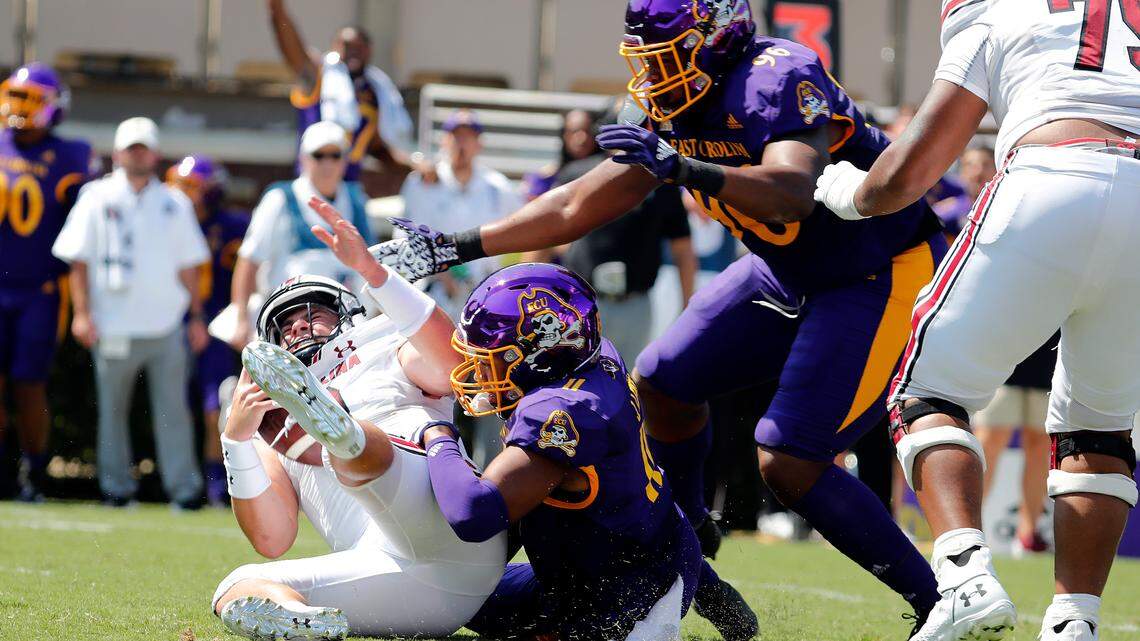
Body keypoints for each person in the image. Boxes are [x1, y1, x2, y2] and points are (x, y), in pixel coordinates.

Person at [370, 0, 946, 634]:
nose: (653, 73)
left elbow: (792, 197)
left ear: (717, 37)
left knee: (790, 459)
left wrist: (682, 167)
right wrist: (457, 245)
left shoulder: (775, 76)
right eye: (644, 57)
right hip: (786, 268)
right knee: (664, 380)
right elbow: (576, 206)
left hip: (875, 267)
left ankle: (940, 604)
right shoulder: (665, 102)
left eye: (666, 54)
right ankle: (691, 541)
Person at [813, 0, 1140, 638]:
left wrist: (850, 195)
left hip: (1053, 175)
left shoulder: (997, 8)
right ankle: (1076, 623)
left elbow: (915, 165)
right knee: (1098, 430)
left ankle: (965, 576)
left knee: (926, 390)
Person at [212, 199, 505, 639]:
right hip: (398, 581)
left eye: (312, 313)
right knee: (237, 587)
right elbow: (272, 539)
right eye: (285, 325)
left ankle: (343, 437)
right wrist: (234, 441)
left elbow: (450, 368)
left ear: (347, 315)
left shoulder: (383, 345)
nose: (297, 328)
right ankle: (304, 623)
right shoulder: (267, 428)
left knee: (363, 450)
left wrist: (376, 274)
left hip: (453, 527)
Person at [419, 261, 704, 641]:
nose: (479, 372)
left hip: (617, 596)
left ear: (542, 352)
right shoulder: (593, 358)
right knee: (454, 583)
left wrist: (436, 434)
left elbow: (474, 514)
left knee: (439, 597)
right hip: (663, 548)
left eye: (493, 356)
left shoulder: (560, 411)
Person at [52, 117, 210, 508]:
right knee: (112, 412)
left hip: (166, 325)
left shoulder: (175, 202)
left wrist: (196, 317)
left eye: (144, 147)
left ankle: (184, 491)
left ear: (154, 153)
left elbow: (189, 266)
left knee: (174, 411)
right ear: (118, 153)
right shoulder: (95, 195)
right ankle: (116, 489)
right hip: (112, 326)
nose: (137, 154)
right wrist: (82, 314)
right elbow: (78, 261)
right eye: (131, 147)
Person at [0, 63, 92, 501]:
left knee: (28, 382)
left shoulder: (71, 154)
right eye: (15, 96)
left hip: (41, 290)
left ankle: (32, 473)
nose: (18, 108)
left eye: (29, 99)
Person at [555, 106, 698, 362]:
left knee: (627, 381)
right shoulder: (579, 173)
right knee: (573, 377)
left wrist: (688, 306)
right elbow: (547, 232)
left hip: (636, 302)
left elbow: (682, 248)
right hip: (581, 300)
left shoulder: (662, 184)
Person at [230, 121, 373, 348]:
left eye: (335, 155)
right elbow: (249, 260)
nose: (327, 163)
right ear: (303, 159)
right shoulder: (279, 198)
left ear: (346, 160)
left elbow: (371, 263)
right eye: (319, 155)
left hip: (347, 326)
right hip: (291, 329)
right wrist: (240, 319)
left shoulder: (357, 198)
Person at [165, 155, 249, 506]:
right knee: (174, 404)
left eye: (192, 188)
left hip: (215, 324)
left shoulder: (233, 227)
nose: (183, 196)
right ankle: (183, 479)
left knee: (215, 405)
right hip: (169, 320)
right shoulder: (165, 223)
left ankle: (216, 480)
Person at [266, 0, 416, 187]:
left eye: (360, 47)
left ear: (370, 51)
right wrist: (277, 9)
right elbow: (292, 50)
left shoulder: (375, 93)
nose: (354, 52)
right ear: (335, 47)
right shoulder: (320, 77)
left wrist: (416, 165)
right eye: (347, 45)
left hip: (348, 190)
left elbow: (376, 148)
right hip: (311, 185)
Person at [399, 110, 521, 320]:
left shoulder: (497, 186)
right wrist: (444, 277)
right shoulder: (421, 183)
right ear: (444, 141)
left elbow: (521, 230)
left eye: (468, 137)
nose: (461, 144)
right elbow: (409, 236)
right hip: (433, 290)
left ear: (478, 144)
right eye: (456, 136)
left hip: (485, 291)